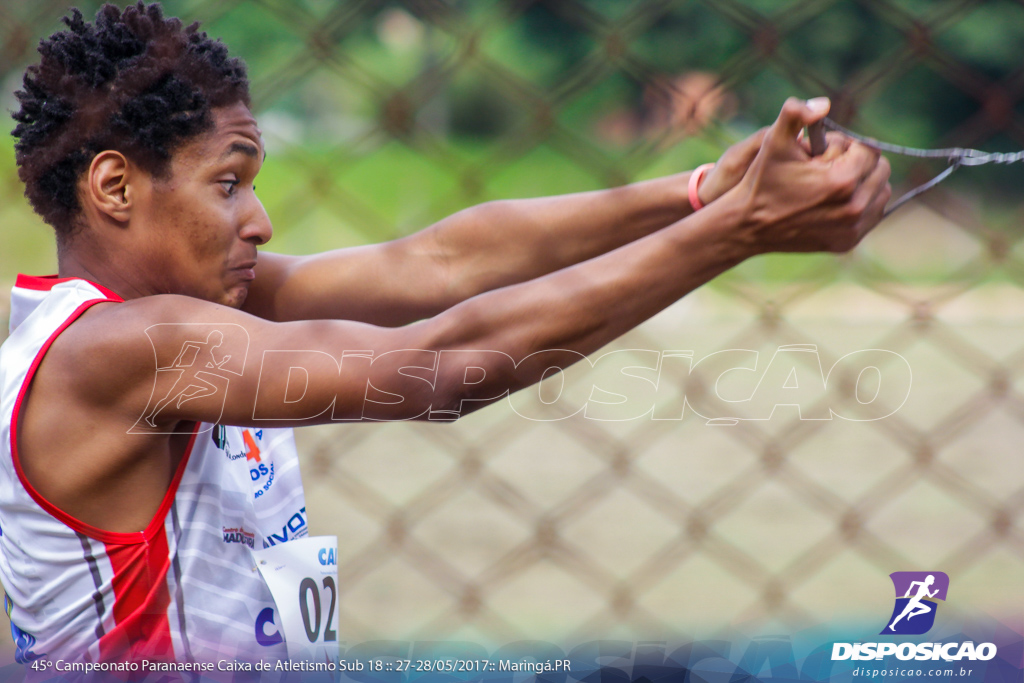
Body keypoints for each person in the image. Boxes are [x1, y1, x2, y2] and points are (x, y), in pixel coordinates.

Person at [0, 0, 890, 671]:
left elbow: (439, 265)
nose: (261, 221)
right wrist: (741, 233)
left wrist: (701, 193)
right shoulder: (111, 350)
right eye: (228, 184)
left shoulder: (208, 308)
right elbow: (436, 367)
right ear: (115, 187)